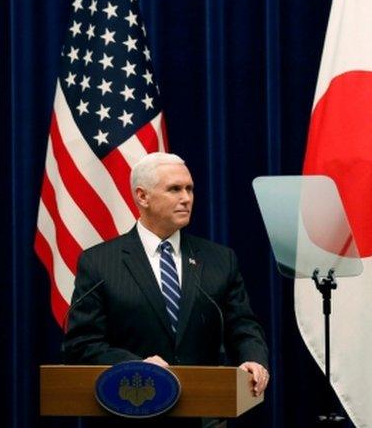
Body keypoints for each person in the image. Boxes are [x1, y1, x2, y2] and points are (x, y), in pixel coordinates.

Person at [63, 152, 270, 398]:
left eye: (189, 189)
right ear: (142, 196)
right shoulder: (99, 262)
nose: (186, 198)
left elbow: (243, 325)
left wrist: (253, 359)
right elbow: (82, 343)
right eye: (174, 189)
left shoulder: (220, 259)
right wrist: (133, 365)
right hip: (132, 403)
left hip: (204, 408)